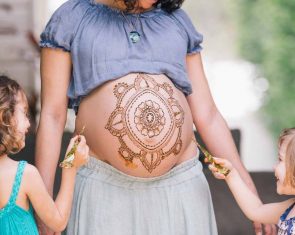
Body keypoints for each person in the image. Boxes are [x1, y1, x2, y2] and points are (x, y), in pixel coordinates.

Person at [37, 0, 273, 234]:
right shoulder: (72, 18)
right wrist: (44, 206)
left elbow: (208, 115)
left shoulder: (177, 21)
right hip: (104, 188)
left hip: (182, 188)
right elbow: (52, 115)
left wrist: (252, 195)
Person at [0, 75, 89, 234]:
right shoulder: (23, 175)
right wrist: (71, 165)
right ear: (4, 116)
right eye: (24, 113)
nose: (29, 124)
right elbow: (58, 221)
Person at [209, 128, 295, 234]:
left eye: (280, 159)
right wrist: (231, 175)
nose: (274, 167)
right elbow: (256, 210)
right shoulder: (289, 209)